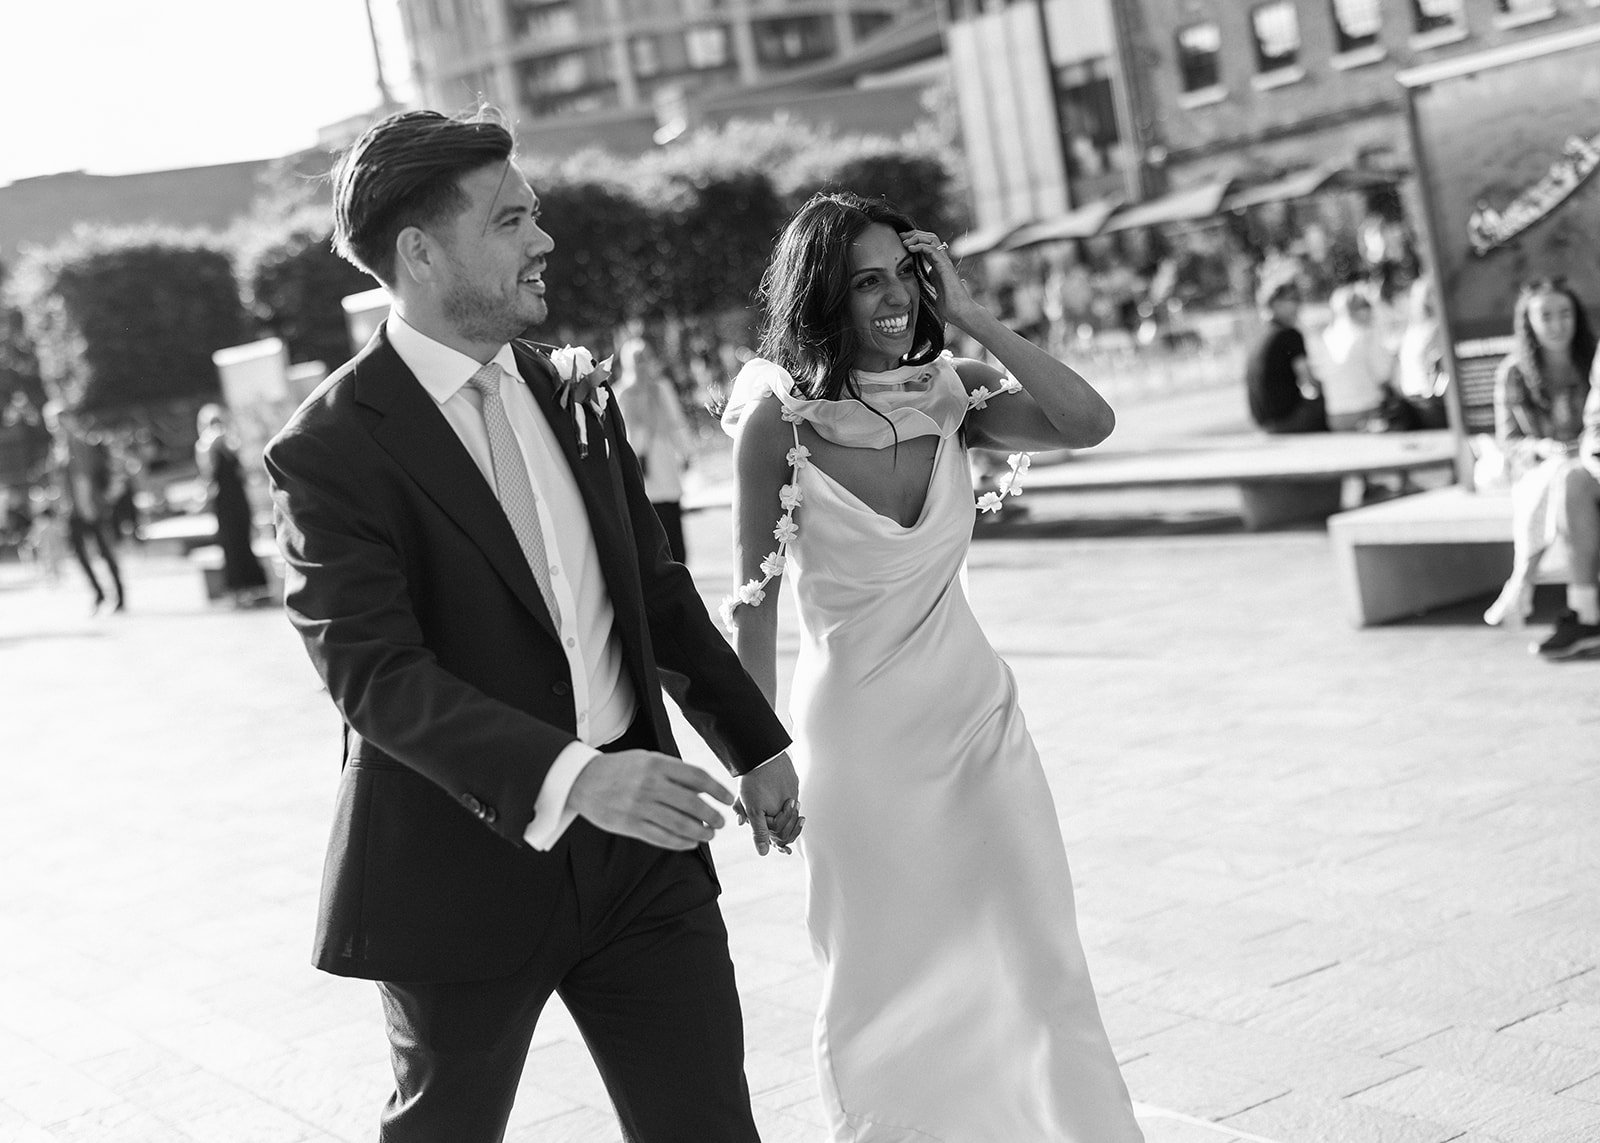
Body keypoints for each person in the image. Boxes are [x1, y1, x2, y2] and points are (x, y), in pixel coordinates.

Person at [263, 108, 800, 1143]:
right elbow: (374, 676)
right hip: (459, 867)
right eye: (511, 221)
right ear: (419, 253)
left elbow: (651, 589)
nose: (543, 240)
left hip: (642, 858)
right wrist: (574, 778)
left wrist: (754, 741)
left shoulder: (573, 394)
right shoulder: (327, 450)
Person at [720, 192, 1143, 1142]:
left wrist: (975, 315)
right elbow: (754, 608)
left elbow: (1089, 420)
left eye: (903, 275)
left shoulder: (957, 393)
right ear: (823, 297)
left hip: (979, 723)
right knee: (888, 980)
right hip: (859, 746)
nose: (893, 300)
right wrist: (754, 754)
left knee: (1041, 959)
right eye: (865, 281)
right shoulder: (778, 426)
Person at [1482, 278, 1595, 637]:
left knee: (1570, 477)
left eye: (1565, 314)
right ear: (1528, 322)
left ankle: (1523, 580)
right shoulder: (1515, 372)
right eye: (1546, 315)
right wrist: (1542, 448)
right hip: (1541, 469)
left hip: (1589, 463)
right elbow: (1509, 441)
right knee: (1560, 477)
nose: (1558, 324)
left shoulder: (1592, 359)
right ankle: (1583, 612)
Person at [613, 331, 694, 562]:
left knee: (673, 523)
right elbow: (627, 436)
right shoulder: (623, 393)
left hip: (665, 461)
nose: (642, 365)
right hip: (643, 466)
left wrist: (685, 451)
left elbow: (676, 422)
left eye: (645, 358)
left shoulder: (661, 388)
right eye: (637, 360)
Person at [43, 401, 125, 614]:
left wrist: (86, 506)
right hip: (72, 510)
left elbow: (82, 479)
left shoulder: (76, 444)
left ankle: (118, 594)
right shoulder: (58, 447)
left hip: (88, 507)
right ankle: (99, 593)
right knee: (81, 554)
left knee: (103, 551)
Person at [195, 404, 272, 607]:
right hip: (226, 503)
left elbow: (241, 472)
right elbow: (209, 474)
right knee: (231, 544)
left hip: (237, 501)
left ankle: (252, 585)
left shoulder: (228, 444)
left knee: (242, 542)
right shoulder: (209, 446)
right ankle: (240, 588)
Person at [1245, 277, 1327, 434]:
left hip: (1263, 423)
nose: (1298, 305)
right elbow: (1308, 380)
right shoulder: (1289, 334)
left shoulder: (1260, 333)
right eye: (1293, 299)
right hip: (1287, 420)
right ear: (1275, 303)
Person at [1317, 283, 1395, 431]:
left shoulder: (1327, 335)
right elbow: (1383, 374)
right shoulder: (1366, 334)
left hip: (1335, 414)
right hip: (1367, 411)